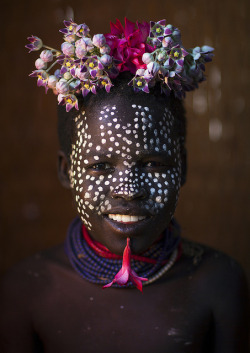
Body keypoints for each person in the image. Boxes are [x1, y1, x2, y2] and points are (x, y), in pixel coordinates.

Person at [0, 18, 248, 353]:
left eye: (153, 164)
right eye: (101, 167)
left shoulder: (219, 283)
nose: (129, 190)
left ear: (183, 167)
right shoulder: (24, 291)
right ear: (65, 170)